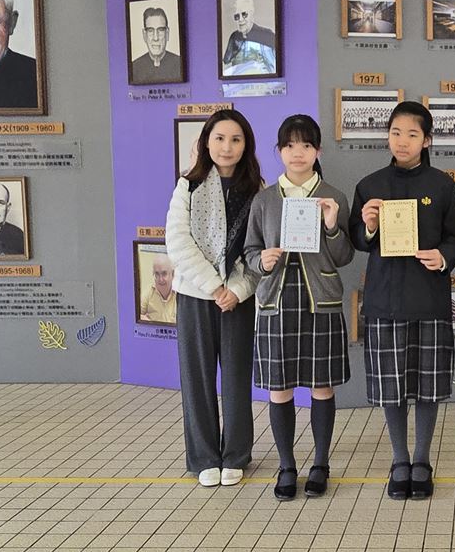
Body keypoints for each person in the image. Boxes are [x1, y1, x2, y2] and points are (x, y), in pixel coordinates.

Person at [349, 102, 455, 500]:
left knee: (428, 386)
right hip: (385, 300)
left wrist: (443, 256)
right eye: (396, 133)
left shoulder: (442, 184)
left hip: (429, 298)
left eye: (412, 134)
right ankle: (399, 459)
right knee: (391, 387)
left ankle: (421, 459)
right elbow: (356, 239)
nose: (402, 141)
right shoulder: (370, 185)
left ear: (427, 140)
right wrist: (368, 225)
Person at [244, 115, 354, 501]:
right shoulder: (264, 199)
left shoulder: (333, 196)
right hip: (277, 299)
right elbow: (250, 251)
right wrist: (262, 261)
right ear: (278, 151)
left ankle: (320, 463)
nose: (298, 153)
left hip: (319, 298)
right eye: (290, 145)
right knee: (280, 388)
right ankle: (287, 465)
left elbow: (343, 256)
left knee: (322, 385)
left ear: (318, 151)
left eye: (306, 145)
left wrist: (331, 226)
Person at [165, 109, 262, 488]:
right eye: (219, 138)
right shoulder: (188, 186)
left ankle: (236, 454)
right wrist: (213, 286)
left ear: (246, 145)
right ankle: (204, 457)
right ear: (206, 142)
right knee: (197, 379)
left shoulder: (257, 189)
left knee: (237, 378)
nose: (227, 147)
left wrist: (237, 290)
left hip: (239, 298)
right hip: (196, 296)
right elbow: (178, 242)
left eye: (236, 139)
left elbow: (259, 249)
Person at [221, 0, 278, 76]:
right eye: (237, 16)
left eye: (244, 14)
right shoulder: (234, 37)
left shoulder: (267, 35)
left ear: (251, 14)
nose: (240, 19)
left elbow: (274, 67)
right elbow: (226, 64)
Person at [130, 5, 183, 85]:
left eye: (160, 30)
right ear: (144, 35)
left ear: (167, 34)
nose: (155, 38)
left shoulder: (179, 64)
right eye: (150, 31)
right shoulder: (134, 68)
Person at [140, 252, 177, 324]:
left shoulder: (181, 295)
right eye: (157, 274)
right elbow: (135, 314)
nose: (160, 279)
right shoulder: (149, 292)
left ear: (172, 274)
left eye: (164, 274)